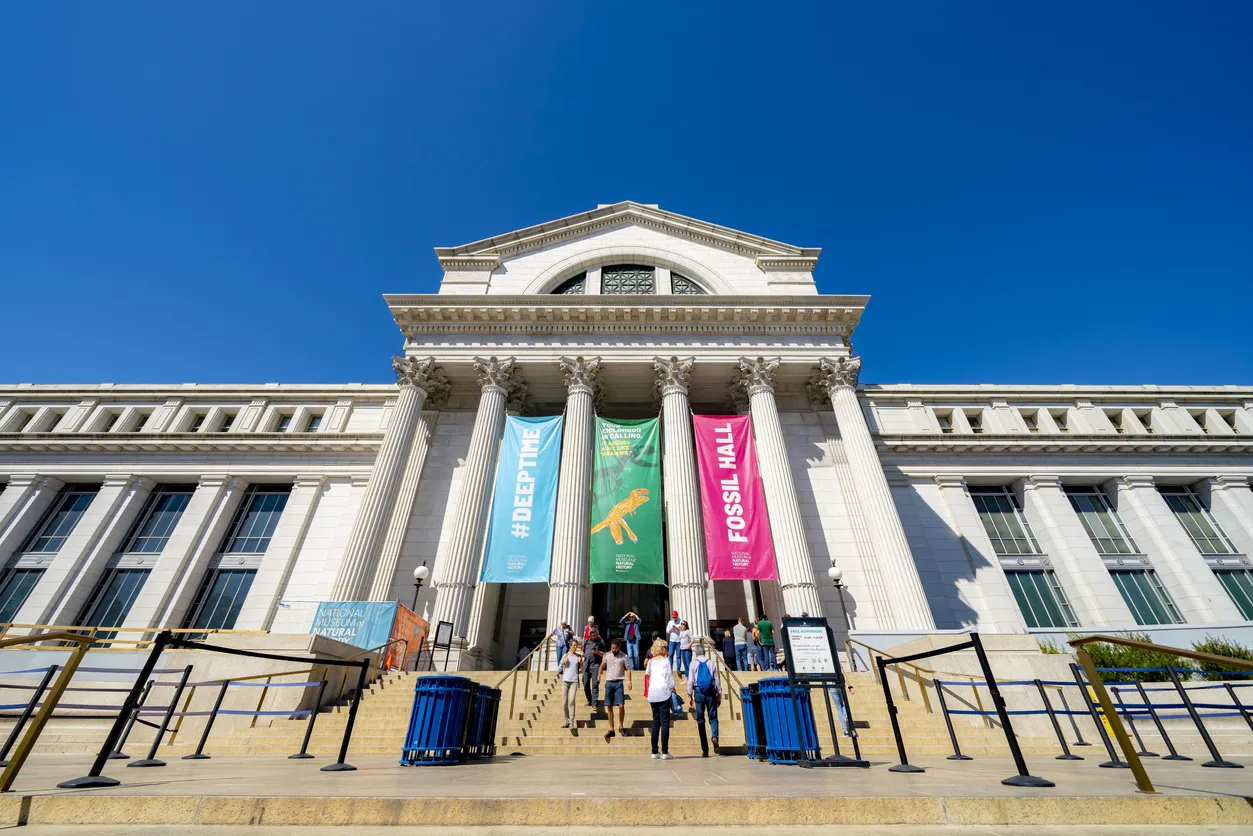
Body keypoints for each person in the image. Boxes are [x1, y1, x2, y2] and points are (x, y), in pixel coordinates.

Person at [686, 644, 722, 756]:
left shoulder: (693, 664)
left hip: (698, 692)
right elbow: (717, 680)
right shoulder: (711, 663)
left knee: (700, 720)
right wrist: (719, 694)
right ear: (704, 652)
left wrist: (690, 695)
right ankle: (714, 736)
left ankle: (705, 749)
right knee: (713, 717)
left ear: (696, 653)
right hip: (710, 692)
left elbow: (690, 681)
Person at [644, 637, 675, 760]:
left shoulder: (651, 662)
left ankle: (654, 751)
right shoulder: (666, 661)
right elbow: (669, 677)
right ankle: (665, 751)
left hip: (653, 693)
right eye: (665, 647)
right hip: (663, 692)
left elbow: (647, 674)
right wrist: (673, 689)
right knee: (665, 722)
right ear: (662, 648)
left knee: (655, 722)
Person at [599, 638, 632, 741]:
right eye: (612, 648)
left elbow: (628, 668)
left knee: (621, 705)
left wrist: (629, 681)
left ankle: (621, 726)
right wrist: (599, 673)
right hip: (609, 682)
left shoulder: (624, 656)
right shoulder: (606, 655)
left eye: (615, 648)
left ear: (619, 647)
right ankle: (611, 729)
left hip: (619, 682)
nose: (613, 650)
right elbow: (602, 665)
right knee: (609, 706)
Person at [559, 639, 582, 729]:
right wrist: (563, 662)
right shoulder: (566, 655)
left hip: (574, 681)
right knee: (564, 703)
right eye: (574, 645)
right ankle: (567, 721)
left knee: (572, 701)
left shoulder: (578, 656)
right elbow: (559, 668)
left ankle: (571, 722)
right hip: (565, 681)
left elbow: (583, 669)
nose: (575, 647)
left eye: (576, 645)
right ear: (570, 646)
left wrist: (581, 662)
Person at [582, 627, 605, 707]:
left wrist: (597, 652)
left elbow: (604, 654)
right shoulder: (586, 642)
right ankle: (589, 699)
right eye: (591, 635)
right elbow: (583, 652)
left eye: (594, 635)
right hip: (586, 665)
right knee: (585, 684)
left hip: (595, 665)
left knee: (595, 684)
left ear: (597, 634)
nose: (593, 636)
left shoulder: (600, 642)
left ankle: (594, 702)